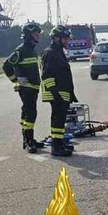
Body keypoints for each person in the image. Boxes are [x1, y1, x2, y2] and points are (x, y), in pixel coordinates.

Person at [2, 22, 44, 153]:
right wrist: (15, 80)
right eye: (36, 34)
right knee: (30, 113)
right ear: (28, 36)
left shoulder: (31, 50)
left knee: (27, 112)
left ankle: (28, 139)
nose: (38, 36)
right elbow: (6, 66)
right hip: (26, 88)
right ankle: (28, 141)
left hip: (33, 87)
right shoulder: (21, 50)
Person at [41, 25, 77, 157]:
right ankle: (56, 147)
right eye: (65, 39)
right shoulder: (50, 53)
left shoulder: (58, 51)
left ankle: (59, 143)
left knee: (61, 119)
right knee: (57, 119)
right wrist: (55, 93)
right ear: (56, 38)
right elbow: (46, 76)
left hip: (62, 92)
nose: (67, 41)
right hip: (57, 93)